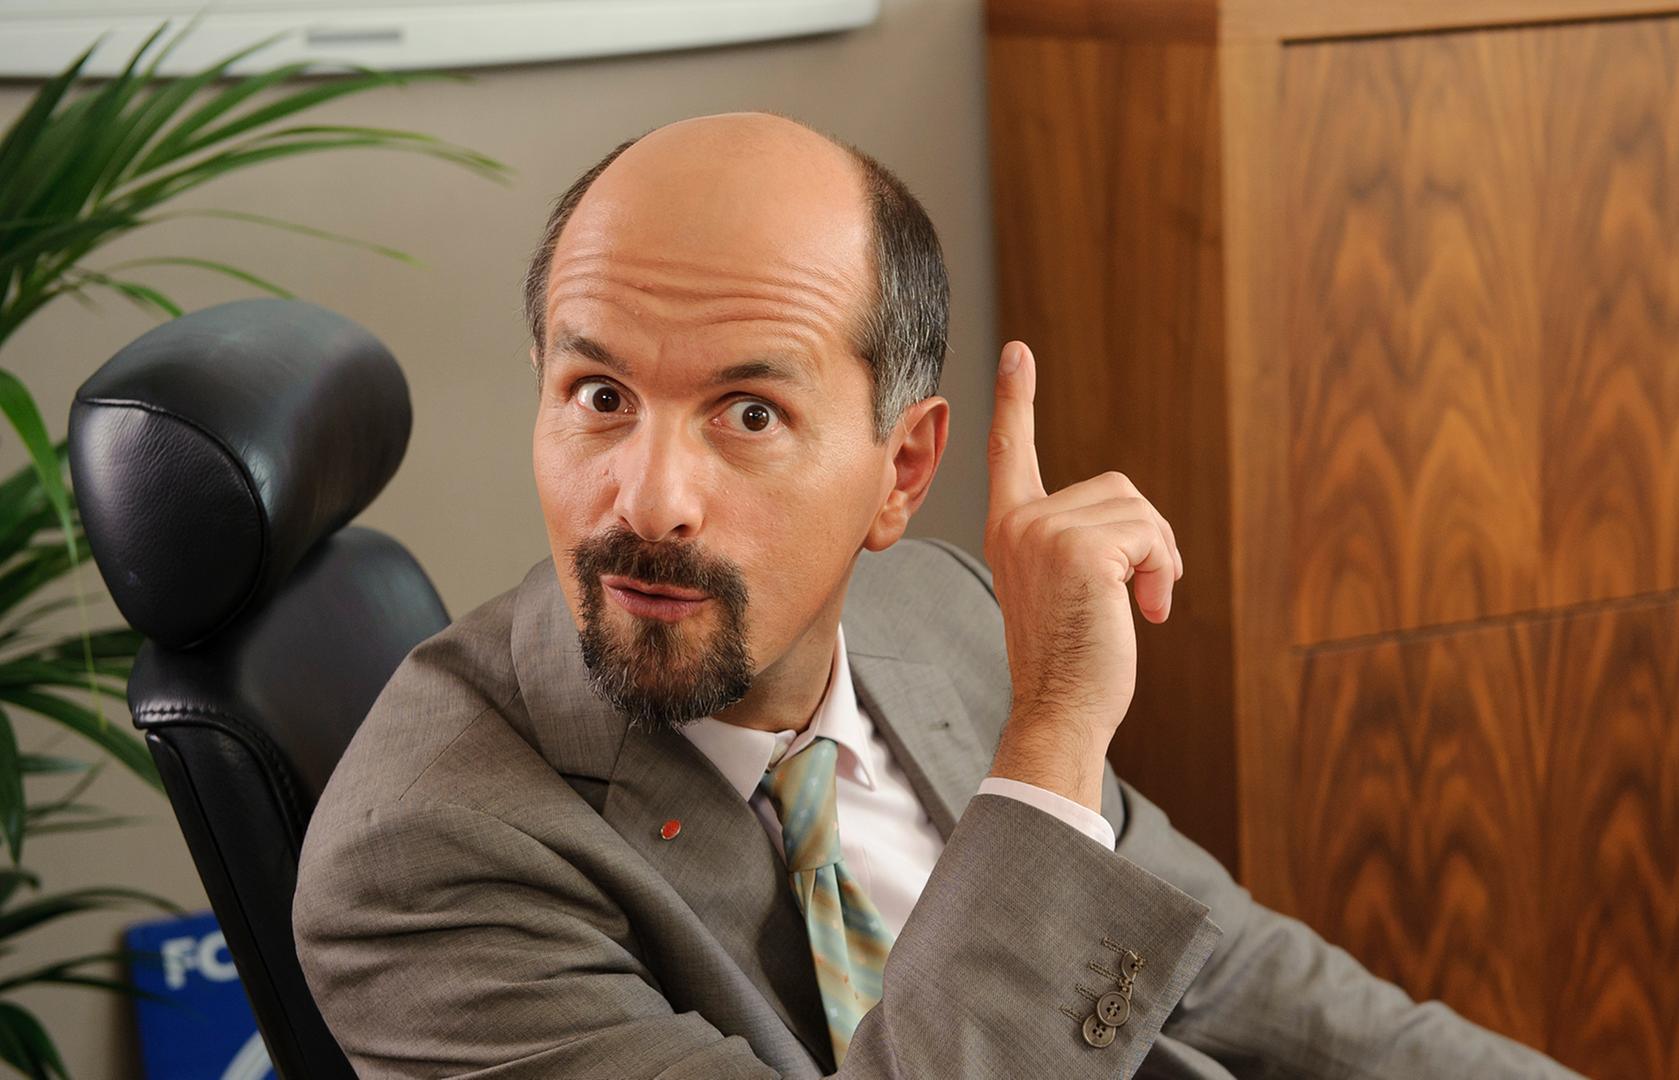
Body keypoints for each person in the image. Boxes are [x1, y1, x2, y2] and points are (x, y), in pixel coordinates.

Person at [291, 112, 1579, 1079]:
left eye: (749, 412)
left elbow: (1230, 969)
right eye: (601, 395)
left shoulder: (940, 613)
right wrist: (1056, 735)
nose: (649, 501)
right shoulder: (424, 862)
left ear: (901, 472)